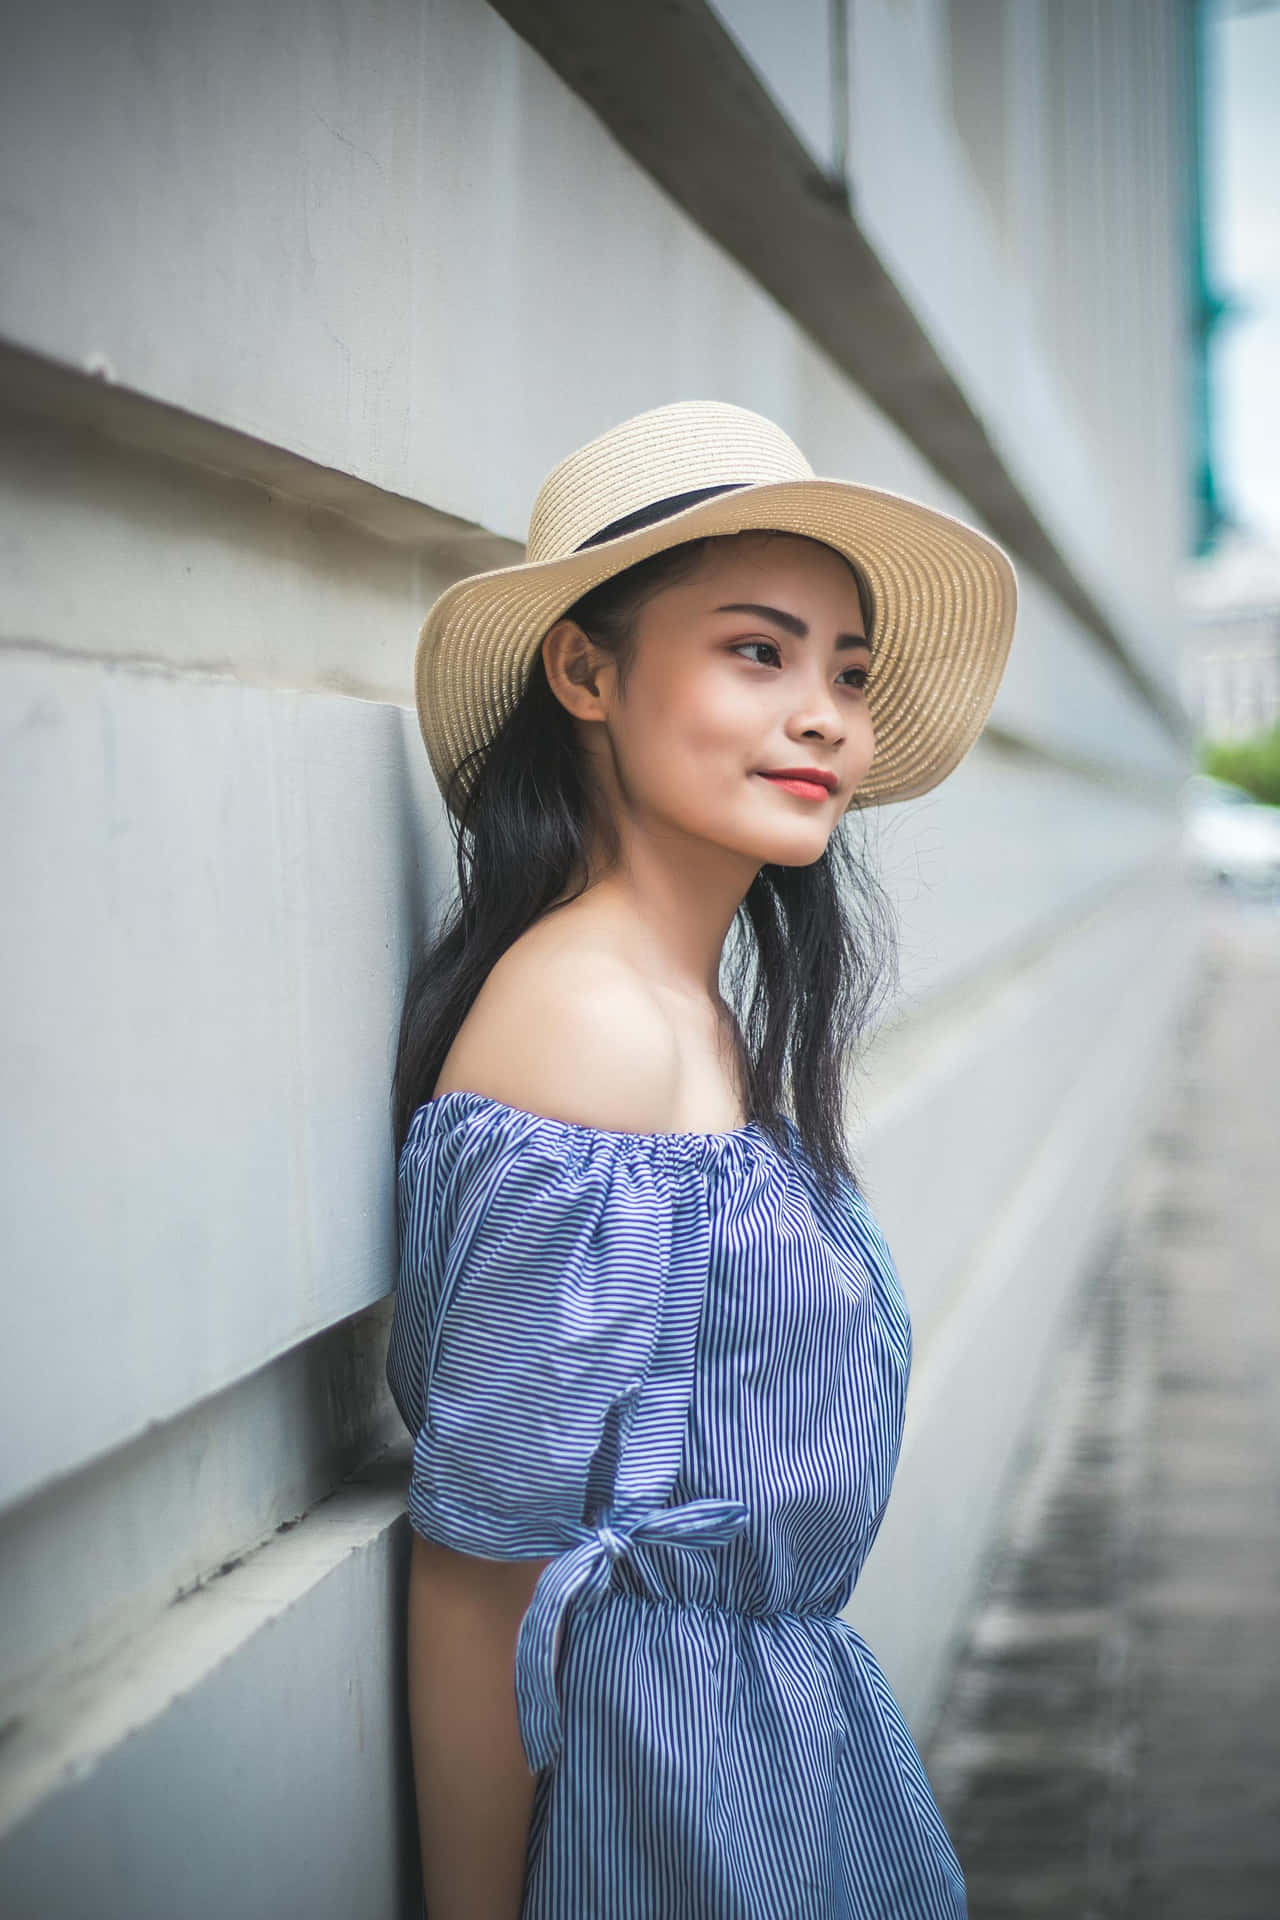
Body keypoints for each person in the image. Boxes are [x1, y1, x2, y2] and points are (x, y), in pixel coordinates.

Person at [386, 399, 1018, 1918]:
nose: (826, 718)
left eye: (847, 675)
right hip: (661, 1801)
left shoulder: (687, 1016)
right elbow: (480, 1581)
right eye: (760, 652)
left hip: (781, 1766)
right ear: (586, 670)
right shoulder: (584, 1026)